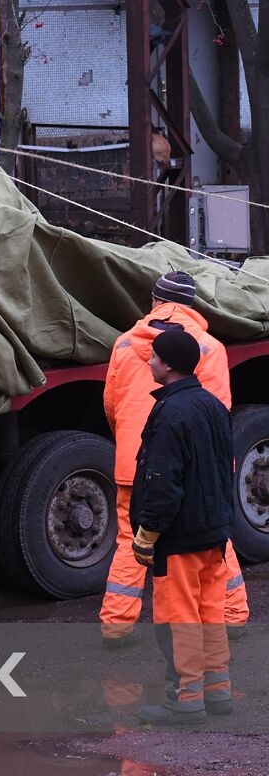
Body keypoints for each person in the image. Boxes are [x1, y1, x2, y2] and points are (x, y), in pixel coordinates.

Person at [101, 270, 249, 645]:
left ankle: (116, 626)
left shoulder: (123, 345)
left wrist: (131, 442)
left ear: (154, 301)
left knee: (129, 539)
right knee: (213, 538)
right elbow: (217, 410)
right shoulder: (209, 348)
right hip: (196, 468)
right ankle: (232, 615)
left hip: (135, 460)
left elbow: (113, 406)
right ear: (189, 305)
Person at [130, 329, 235, 725]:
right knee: (210, 611)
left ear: (169, 365)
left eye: (154, 357)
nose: (149, 361)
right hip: (212, 530)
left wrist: (149, 531)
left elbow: (162, 479)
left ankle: (185, 698)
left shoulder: (170, 412)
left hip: (180, 536)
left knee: (179, 618)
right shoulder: (212, 405)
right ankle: (216, 690)